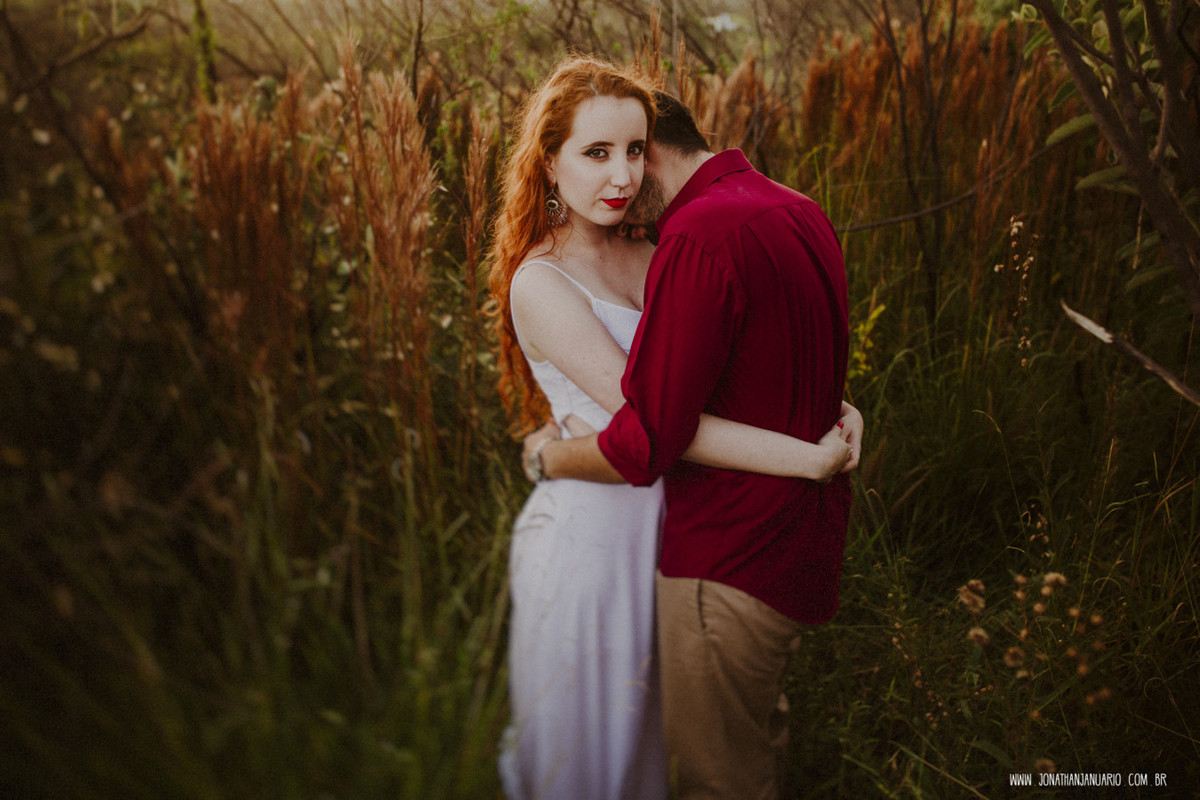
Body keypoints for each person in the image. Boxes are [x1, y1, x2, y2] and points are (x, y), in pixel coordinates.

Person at [487, 57, 860, 800]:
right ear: (549, 165)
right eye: (595, 155)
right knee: (597, 750)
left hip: (677, 529)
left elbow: (722, 379)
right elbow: (650, 430)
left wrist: (835, 407)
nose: (621, 175)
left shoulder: (657, 249)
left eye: (632, 151)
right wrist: (805, 456)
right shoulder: (542, 280)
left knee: (678, 745)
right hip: (595, 541)